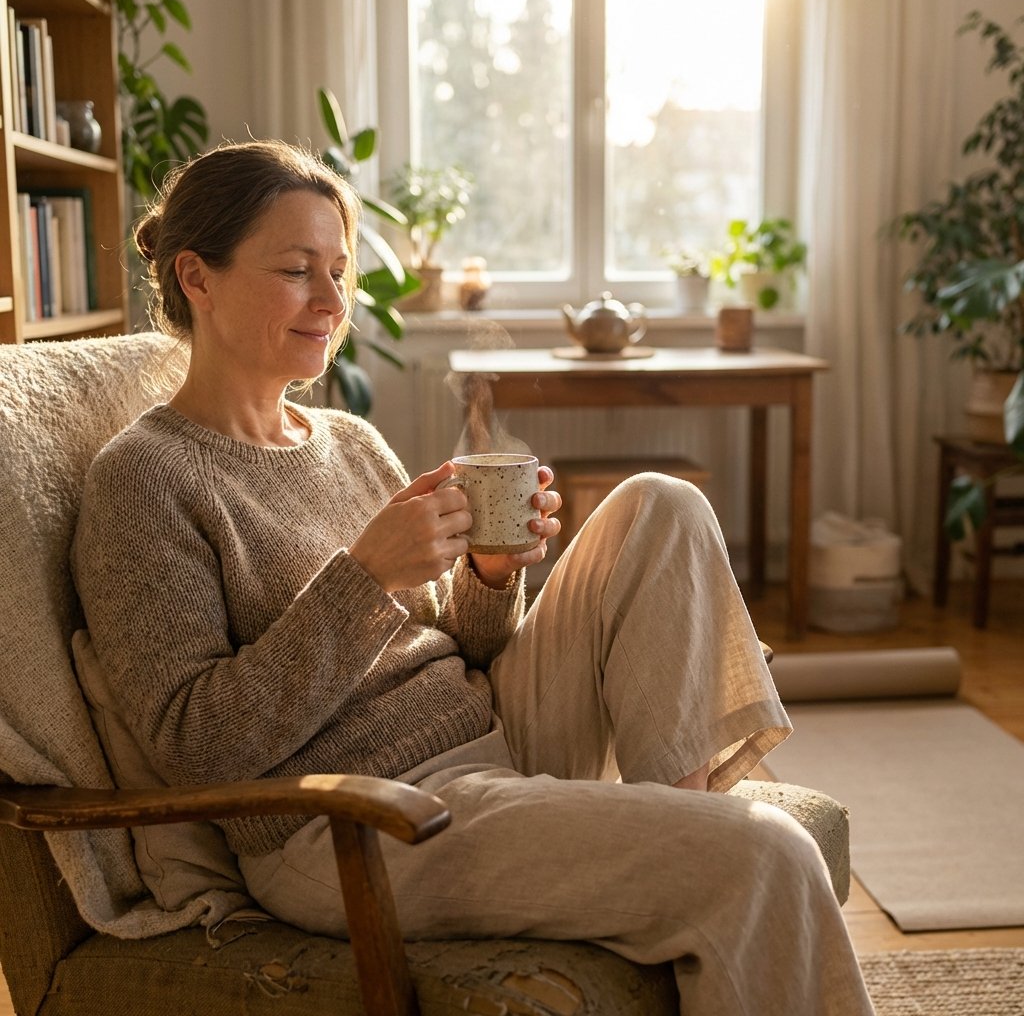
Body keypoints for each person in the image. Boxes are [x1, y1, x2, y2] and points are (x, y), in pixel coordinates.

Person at [72, 140, 874, 1014]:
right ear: (198, 276)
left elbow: (459, 646)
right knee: (769, 851)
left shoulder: (348, 441)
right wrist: (365, 579)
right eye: (299, 271)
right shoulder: (144, 481)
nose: (333, 302)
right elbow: (195, 747)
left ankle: (671, 831)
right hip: (353, 823)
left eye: (339, 271)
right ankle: (689, 853)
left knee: (660, 503)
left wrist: (490, 576)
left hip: (491, 738)